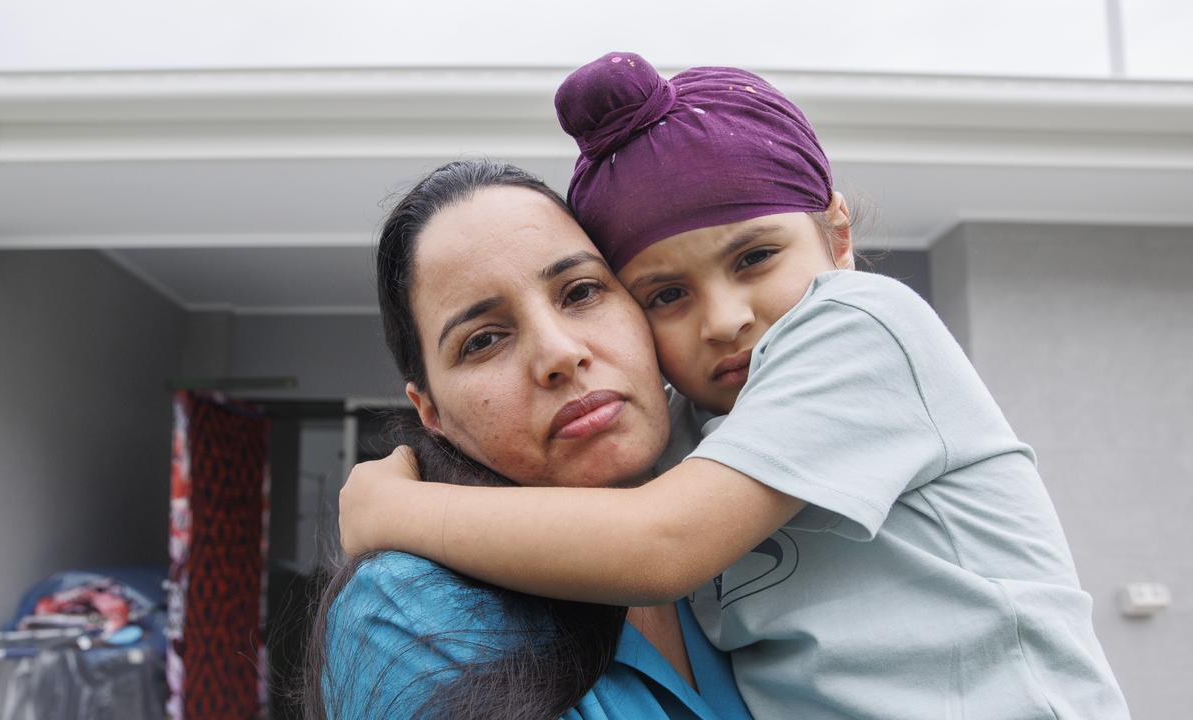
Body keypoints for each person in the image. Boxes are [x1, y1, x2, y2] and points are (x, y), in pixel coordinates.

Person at [339, 53, 1130, 719]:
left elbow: (663, 543)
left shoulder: (858, 326)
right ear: (428, 410)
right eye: (666, 295)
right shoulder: (413, 615)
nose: (724, 320)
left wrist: (396, 510)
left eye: (755, 257)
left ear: (838, 236)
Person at [304, 160, 751, 720]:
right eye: (484, 339)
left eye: (582, 291)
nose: (560, 353)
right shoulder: (405, 610)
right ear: (432, 413)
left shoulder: (744, 537)